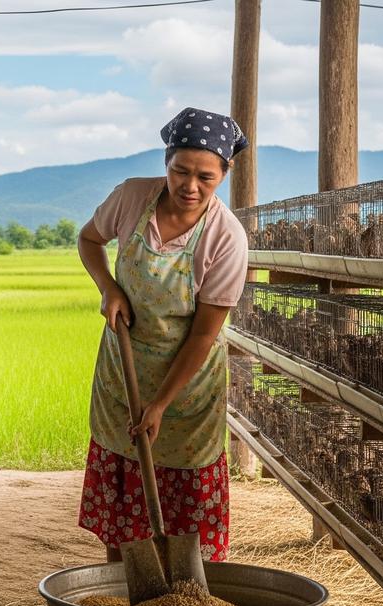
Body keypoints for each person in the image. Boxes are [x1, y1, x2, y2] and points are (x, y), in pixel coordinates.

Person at [76, 107, 250, 565]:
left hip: (188, 389)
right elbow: (89, 240)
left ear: (225, 173)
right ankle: (123, 588)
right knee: (124, 498)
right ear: (166, 162)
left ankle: (185, 601)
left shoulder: (226, 238)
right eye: (180, 172)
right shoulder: (132, 198)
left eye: (206, 177)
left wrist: (160, 404)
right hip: (124, 371)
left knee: (185, 504)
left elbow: (204, 335)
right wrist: (109, 288)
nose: (190, 187)